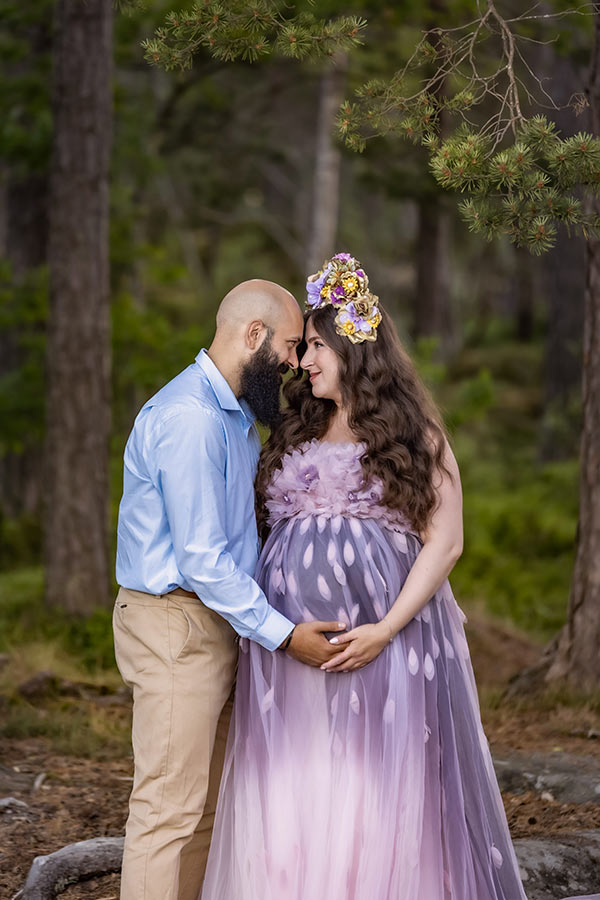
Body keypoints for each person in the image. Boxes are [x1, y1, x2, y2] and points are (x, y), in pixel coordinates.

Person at [201, 255, 598, 900]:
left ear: (355, 353)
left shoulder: (413, 434)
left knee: (372, 777)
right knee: (298, 775)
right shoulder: (295, 422)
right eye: (302, 350)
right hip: (289, 651)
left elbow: (446, 542)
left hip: (385, 644)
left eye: (317, 349)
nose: (302, 362)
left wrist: (385, 629)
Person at [113, 279, 346, 900]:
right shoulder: (189, 419)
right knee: (169, 812)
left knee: (208, 810)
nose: (298, 363)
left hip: (216, 623)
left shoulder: (235, 417)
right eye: (293, 345)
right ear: (253, 336)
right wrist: (282, 633)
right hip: (175, 625)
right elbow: (200, 558)